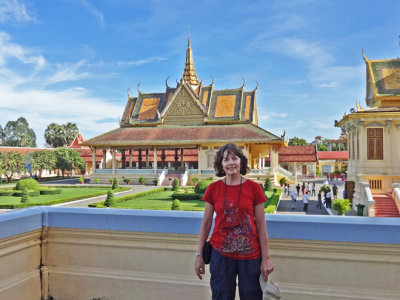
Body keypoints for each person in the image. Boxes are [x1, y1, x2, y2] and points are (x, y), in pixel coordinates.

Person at [194, 143, 274, 300]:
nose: (231, 163)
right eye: (226, 160)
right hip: (221, 255)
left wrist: (266, 259)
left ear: (241, 162)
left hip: (250, 256)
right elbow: (206, 223)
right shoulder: (213, 188)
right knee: (221, 296)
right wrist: (199, 255)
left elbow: (261, 225)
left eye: (234, 158)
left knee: (252, 297)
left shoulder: (254, 188)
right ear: (221, 165)